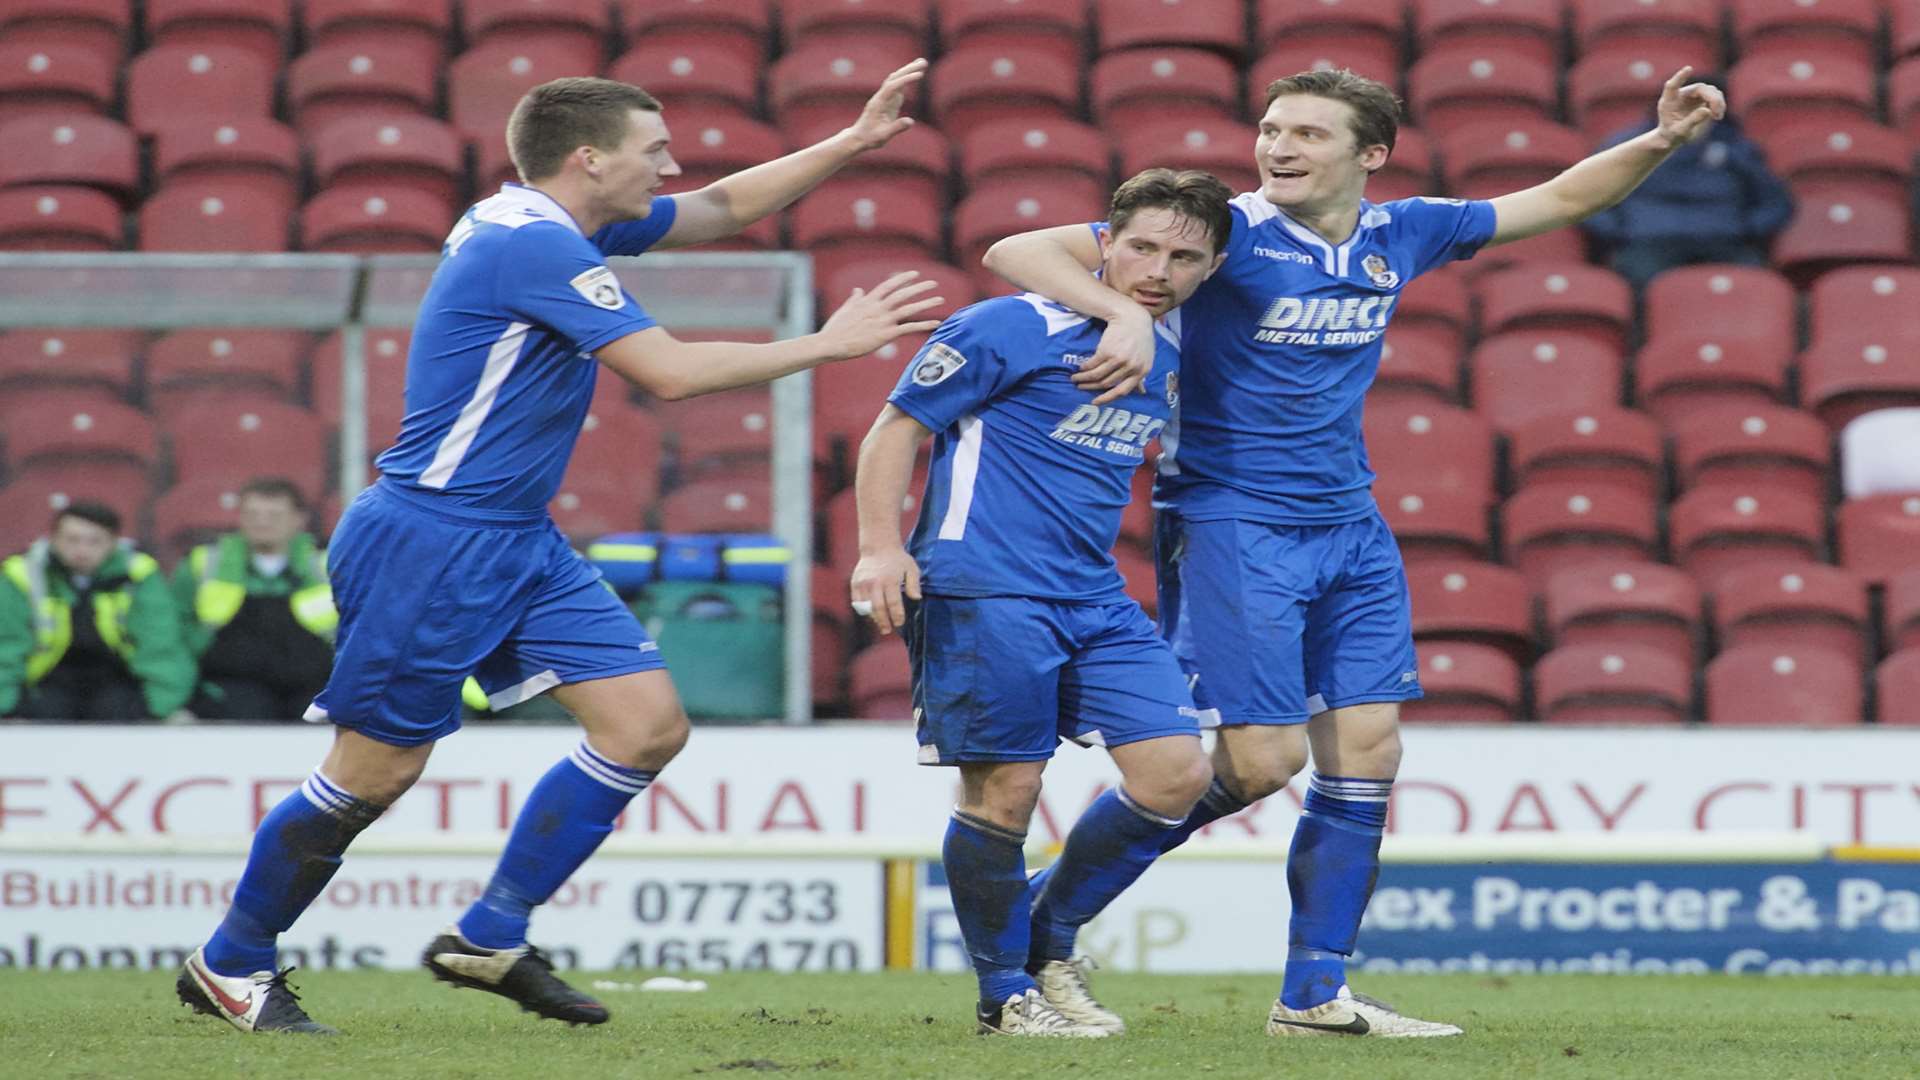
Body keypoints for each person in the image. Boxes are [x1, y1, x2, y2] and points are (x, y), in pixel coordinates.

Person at [176, 67, 943, 1035]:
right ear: (588, 158)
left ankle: (490, 936)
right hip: (433, 540)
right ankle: (231, 961)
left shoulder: (549, 223)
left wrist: (850, 143)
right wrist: (826, 346)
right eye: (651, 150)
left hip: (516, 538)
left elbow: (718, 206)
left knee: (645, 724)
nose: (671, 165)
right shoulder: (534, 245)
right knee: (374, 774)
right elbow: (666, 372)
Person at [984, 67, 1726, 1038]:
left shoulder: (1401, 231)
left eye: (1307, 134)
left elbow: (1556, 197)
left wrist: (1659, 140)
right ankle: (1046, 924)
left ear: (1369, 154)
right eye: (1271, 128)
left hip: (1351, 524)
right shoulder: (1233, 230)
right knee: (1259, 764)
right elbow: (1015, 247)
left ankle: (1313, 994)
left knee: (1370, 752)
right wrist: (1124, 310)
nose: (1279, 147)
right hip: (1231, 518)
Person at [851, 169, 1232, 1037]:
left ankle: (1045, 937)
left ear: (1208, 270)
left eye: (1184, 257)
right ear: (1105, 241)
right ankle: (1004, 996)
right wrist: (879, 547)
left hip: (1092, 593)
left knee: (1177, 772)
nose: (1158, 269)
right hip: (985, 582)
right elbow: (895, 428)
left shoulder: (1165, 354)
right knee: (1005, 792)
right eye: (1140, 246)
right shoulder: (1010, 324)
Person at [1583, 75, 1793, 287]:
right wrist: (1621, 232)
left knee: (1751, 284)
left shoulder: (1737, 148)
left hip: (1724, 242)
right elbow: (1589, 199)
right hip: (1649, 243)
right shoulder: (1630, 146)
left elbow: (1774, 201)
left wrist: (1745, 229)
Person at [0, 502, 195, 722]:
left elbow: (159, 645)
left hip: (117, 680)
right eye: (72, 540)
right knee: (45, 711)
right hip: (44, 680)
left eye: (94, 541)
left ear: (113, 543)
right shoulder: (21, 575)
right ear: (53, 539)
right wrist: (6, 708)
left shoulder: (138, 574)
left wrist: (158, 707)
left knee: (119, 710)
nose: (82, 550)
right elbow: (7, 646)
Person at [171, 477, 336, 721]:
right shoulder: (203, 564)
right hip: (227, 689)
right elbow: (175, 632)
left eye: (274, 515)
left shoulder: (329, 567)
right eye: (252, 514)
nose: (262, 522)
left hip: (312, 689)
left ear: (299, 519)